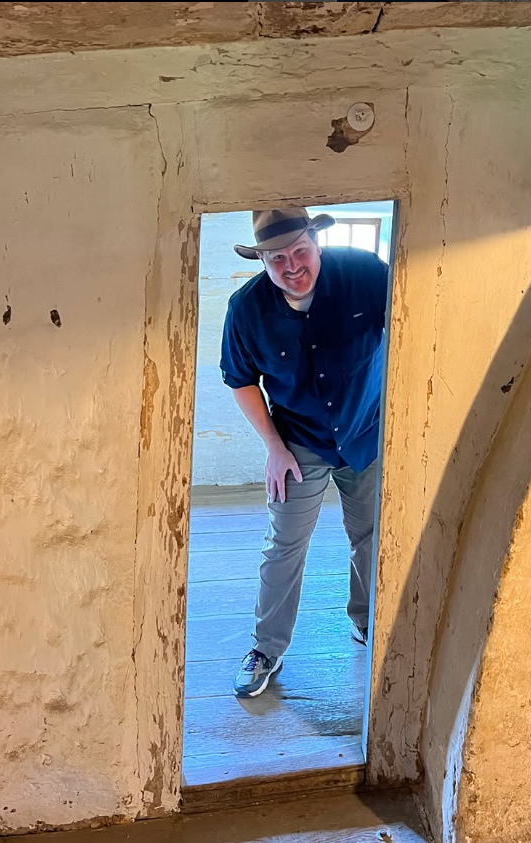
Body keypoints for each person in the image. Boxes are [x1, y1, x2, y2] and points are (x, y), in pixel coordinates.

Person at [220, 207, 389, 698]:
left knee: (372, 534)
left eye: (300, 251)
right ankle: (266, 648)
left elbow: (414, 326)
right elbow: (241, 380)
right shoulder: (246, 309)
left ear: (317, 243)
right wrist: (273, 446)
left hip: (366, 431)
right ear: (262, 260)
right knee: (286, 542)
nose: (292, 266)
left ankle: (366, 620)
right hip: (298, 441)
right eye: (276, 258)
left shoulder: (365, 274)